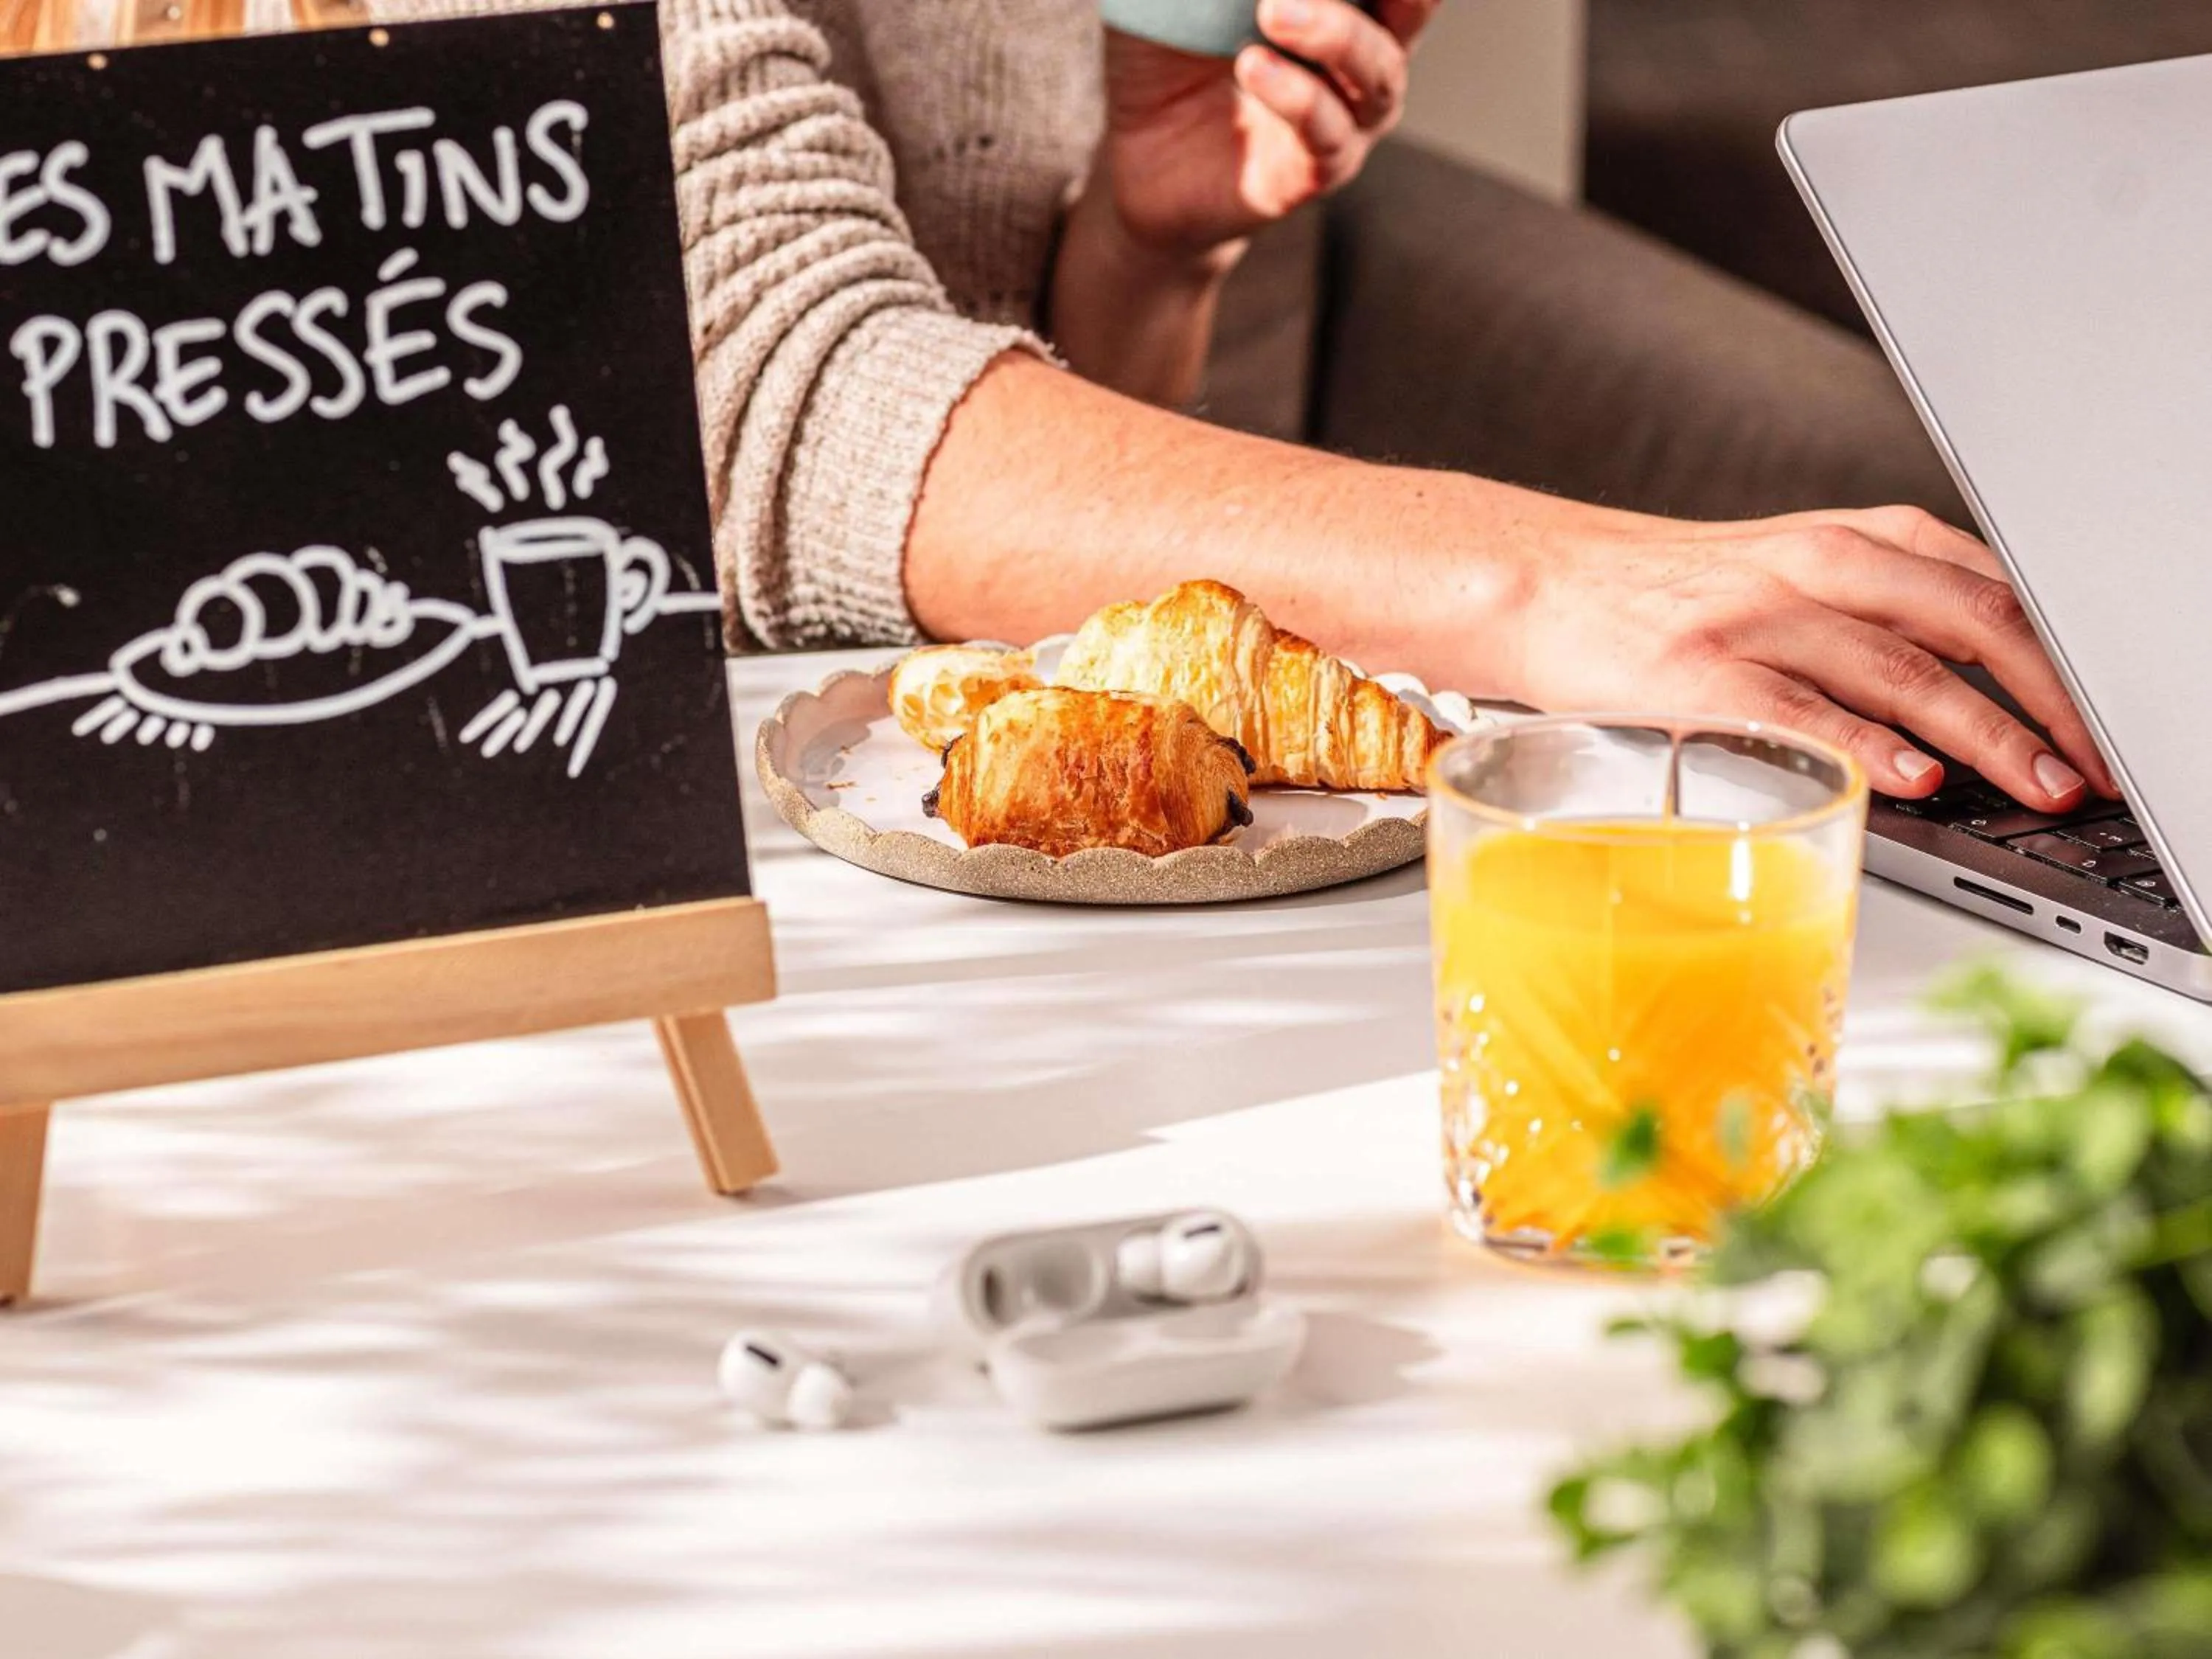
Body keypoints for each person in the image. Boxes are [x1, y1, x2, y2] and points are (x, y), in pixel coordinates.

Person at [386, 0, 2114, 813]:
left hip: (968, 673)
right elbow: (740, 396)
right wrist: (1544, 581)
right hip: (536, 685)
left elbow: (1068, 572)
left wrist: (1152, 238)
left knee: (1980, 621)